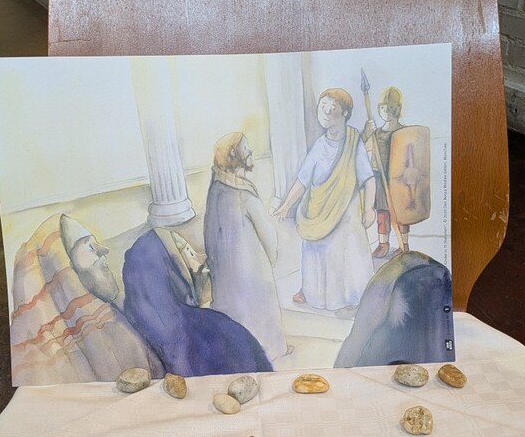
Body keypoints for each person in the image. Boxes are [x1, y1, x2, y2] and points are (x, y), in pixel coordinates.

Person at [9, 214, 162, 385]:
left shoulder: (120, 324)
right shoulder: (36, 362)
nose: (104, 250)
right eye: (89, 246)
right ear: (63, 265)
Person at [274, 88, 376, 312]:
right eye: (323, 106)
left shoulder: (353, 141)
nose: (327, 111)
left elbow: (368, 178)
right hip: (318, 207)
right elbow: (303, 179)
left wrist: (369, 208)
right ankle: (311, 291)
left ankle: (351, 296)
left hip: (346, 208)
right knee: (314, 249)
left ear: (345, 113)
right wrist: (286, 205)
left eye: (333, 107)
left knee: (345, 248)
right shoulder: (320, 145)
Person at [122, 227, 273, 377]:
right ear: (171, 271)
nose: (203, 258)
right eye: (190, 253)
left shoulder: (138, 331)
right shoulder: (218, 330)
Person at [203, 132, 288, 362]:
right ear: (234, 154)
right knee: (260, 320)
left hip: (225, 279)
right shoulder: (243, 194)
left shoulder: (215, 190)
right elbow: (268, 237)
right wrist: (270, 258)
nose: (250, 151)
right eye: (246, 148)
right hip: (252, 274)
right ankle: (270, 351)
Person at [361, 85, 410, 258]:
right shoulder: (377, 134)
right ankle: (383, 244)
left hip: (399, 179)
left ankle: (404, 244)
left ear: (398, 109)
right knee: (382, 213)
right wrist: (366, 133)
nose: (387, 111)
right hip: (380, 178)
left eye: (390, 107)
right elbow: (362, 149)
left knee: (401, 213)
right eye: (383, 108)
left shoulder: (404, 132)